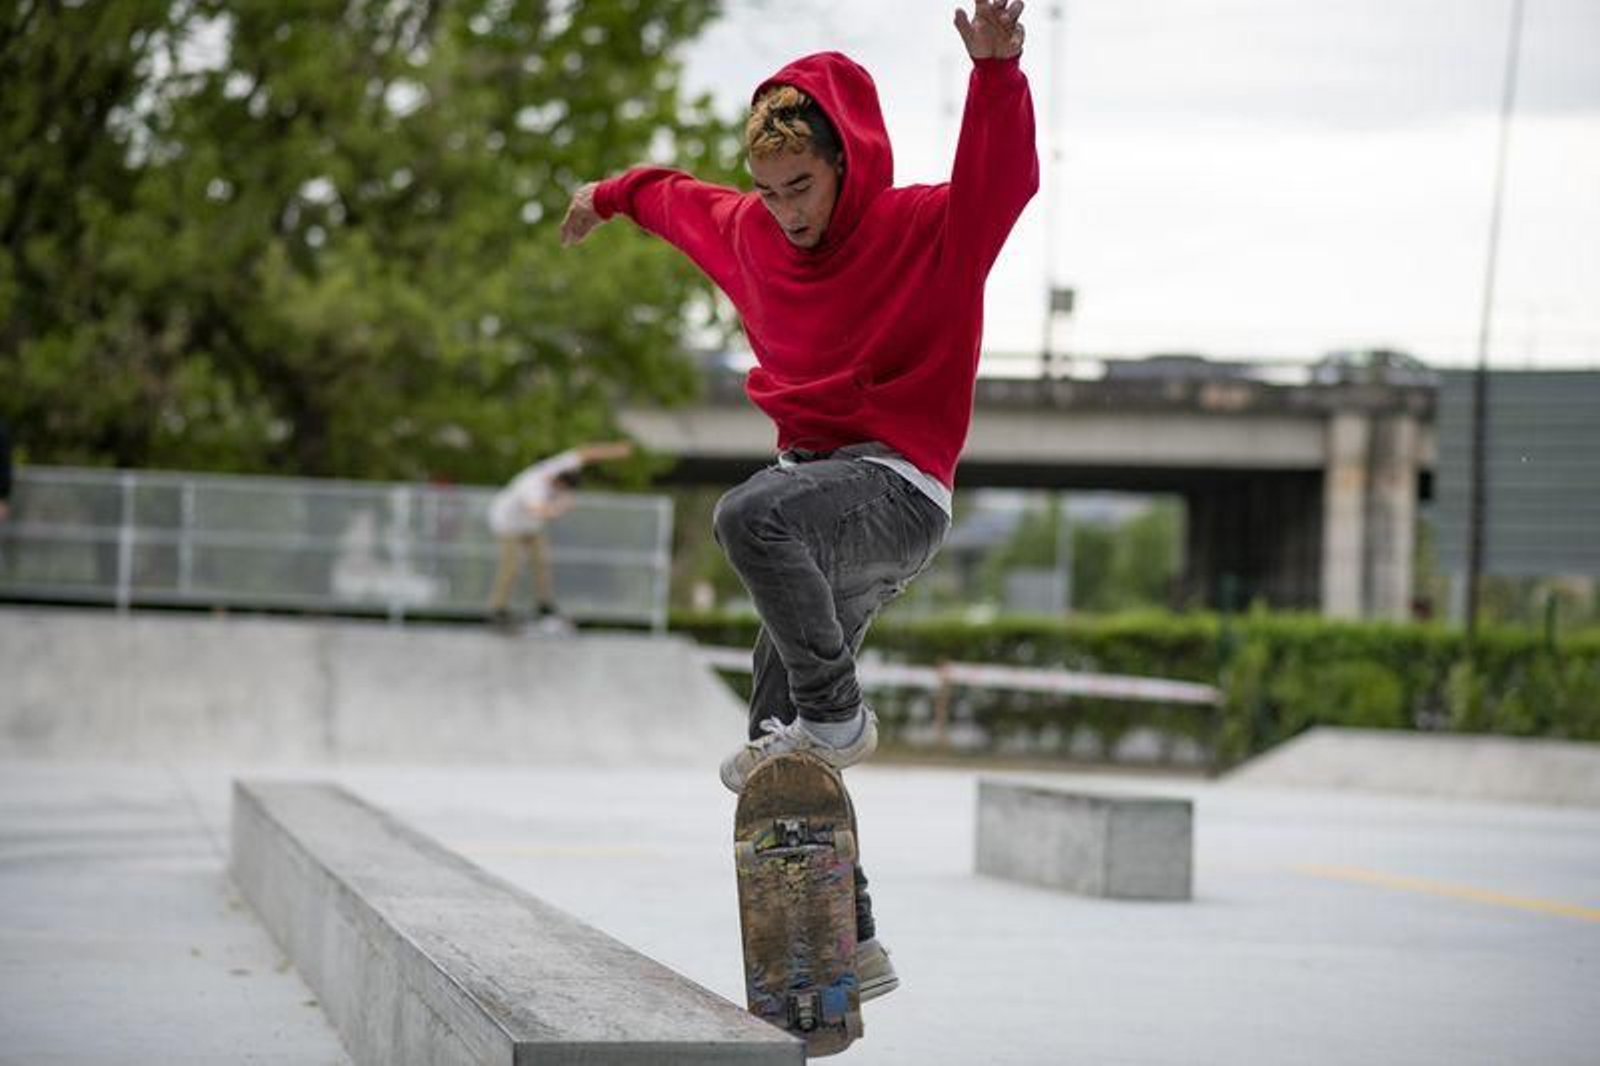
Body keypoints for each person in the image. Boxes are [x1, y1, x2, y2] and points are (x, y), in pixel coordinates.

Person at [561, 0, 1036, 1002]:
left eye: (804, 186)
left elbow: (1000, 187)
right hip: (818, 504)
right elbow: (668, 198)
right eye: (771, 190)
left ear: (846, 162)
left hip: (892, 493)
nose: (787, 210)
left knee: (749, 514)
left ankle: (838, 713)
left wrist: (995, 76)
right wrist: (601, 197)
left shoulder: (922, 228)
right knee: (775, 748)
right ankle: (842, 947)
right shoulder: (746, 230)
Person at [486, 440, 633, 627]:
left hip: (530, 525)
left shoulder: (558, 466)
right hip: (507, 523)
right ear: (558, 483)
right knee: (512, 565)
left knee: (542, 562)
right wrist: (561, 507)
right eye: (563, 490)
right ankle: (498, 609)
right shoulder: (533, 486)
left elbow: (585, 453)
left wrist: (615, 452)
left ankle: (544, 604)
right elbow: (539, 511)